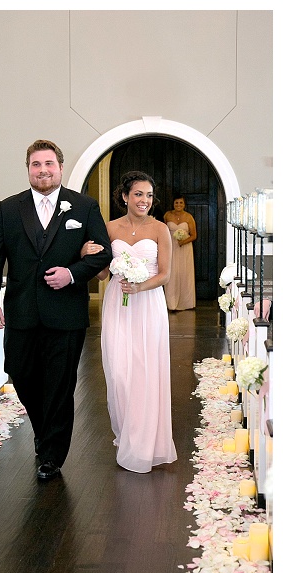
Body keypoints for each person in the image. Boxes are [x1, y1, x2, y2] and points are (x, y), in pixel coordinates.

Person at [0, 139, 112, 480]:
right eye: (36, 164)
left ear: (60, 168)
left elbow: (104, 253)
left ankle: (51, 454)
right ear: (28, 169)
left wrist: (72, 273)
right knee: (21, 374)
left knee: (60, 385)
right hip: (21, 310)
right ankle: (44, 431)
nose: (43, 170)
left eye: (48, 164)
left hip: (66, 312)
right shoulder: (9, 208)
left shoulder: (83, 207)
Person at [82, 171, 177, 473]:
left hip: (148, 304)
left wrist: (139, 286)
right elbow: (101, 273)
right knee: (119, 371)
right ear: (124, 196)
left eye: (149, 195)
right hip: (117, 305)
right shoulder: (109, 228)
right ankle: (126, 434)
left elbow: (164, 274)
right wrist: (86, 253)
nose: (144, 201)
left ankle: (147, 442)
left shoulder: (160, 229)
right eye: (138, 194)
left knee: (147, 371)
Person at [162, 195, 197, 310]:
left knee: (184, 273)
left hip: (185, 248)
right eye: (176, 203)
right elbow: (163, 230)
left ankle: (185, 302)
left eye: (181, 203)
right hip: (171, 246)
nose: (178, 205)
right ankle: (171, 303)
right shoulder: (167, 215)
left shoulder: (188, 217)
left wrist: (183, 242)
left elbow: (194, 235)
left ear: (184, 204)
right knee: (171, 273)